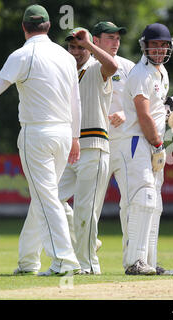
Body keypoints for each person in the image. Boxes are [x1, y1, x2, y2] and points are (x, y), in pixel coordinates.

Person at [0, 4, 81, 275]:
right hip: (64, 133)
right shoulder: (65, 56)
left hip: (37, 133)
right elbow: (75, 100)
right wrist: (75, 137)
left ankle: (65, 262)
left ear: (24, 28)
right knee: (44, 196)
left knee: (45, 198)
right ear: (47, 26)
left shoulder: (22, 55)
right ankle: (28, 261)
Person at [119, 23, 173, 275]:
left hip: (153, 142)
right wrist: (157, 144)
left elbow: (155, 110)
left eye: (162, 45)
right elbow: (143, 116)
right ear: (144, 46)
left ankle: (150, 262)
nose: (158, 49)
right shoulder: (139, 74)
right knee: (143, 199)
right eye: (154, 45)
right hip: (136, 142)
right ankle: (135, 262)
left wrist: (170, 113)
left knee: (155, 203)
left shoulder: (161, 72)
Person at [57, 26, 118, 274]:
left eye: (80, 47)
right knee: (50, 200)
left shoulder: (96, 68)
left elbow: (112, 67)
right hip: (70, 150)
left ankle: (89, 265)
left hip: (94, 147)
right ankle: (90, 244)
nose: (76, 51)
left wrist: (90, 45)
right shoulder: (66, 74)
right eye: (72, 47)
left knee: (86, 209)